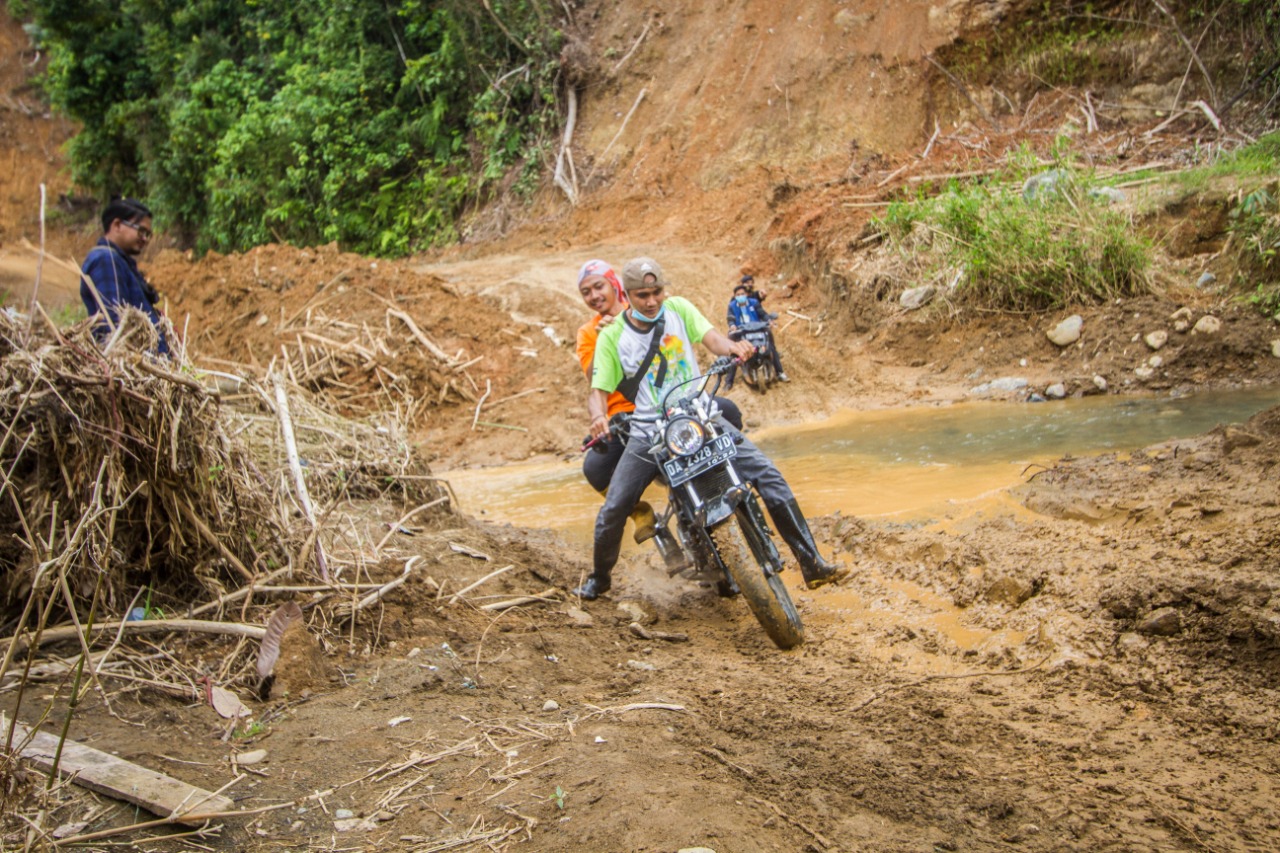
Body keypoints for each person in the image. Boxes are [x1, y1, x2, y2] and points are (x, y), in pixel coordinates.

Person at [574, 255, 846, 600]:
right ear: (628, 293)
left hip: (698, 414)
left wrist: (733, 347)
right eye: (643, 295)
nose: (652, 300)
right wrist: (598, 416)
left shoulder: (679, 308)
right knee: (614, 507)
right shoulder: (610, 337)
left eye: (657, 291)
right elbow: (596, 390)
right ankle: (600, 579)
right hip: (648, 430)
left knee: (768, 474)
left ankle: (812, 563)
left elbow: (712, 338)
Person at [574, 259, 742, 568]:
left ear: (616, 286)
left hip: (678, 407)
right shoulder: (590, 334)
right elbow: (594, 378)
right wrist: (605, 339)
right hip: (629, 421)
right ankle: (640, 515)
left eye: (599, 286)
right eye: (587, 292)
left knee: (729, 412)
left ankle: (733, 485)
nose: (595, 295)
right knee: (596, 468)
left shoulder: (657, 310)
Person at [80, 197, 169, 355]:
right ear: (117, 225)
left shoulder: (119, 262)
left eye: (148, 234)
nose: (145, 239)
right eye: (141, 231)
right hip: (136, 369)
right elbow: (113, 326)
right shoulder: (106, 260)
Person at [725, 282, 788, 386]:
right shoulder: (732, 306)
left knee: (771, 347)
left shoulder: (753, 302)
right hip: (741, 332)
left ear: (746, 294)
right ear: (735, 296)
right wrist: (732, 326)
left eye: (742, 294)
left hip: (758, 329)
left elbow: (762, 314)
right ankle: (729, 382)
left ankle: (780, 372)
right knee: (734, 353)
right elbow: (730, 319)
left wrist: (769, 321)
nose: (740, 296)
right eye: (738, 295)